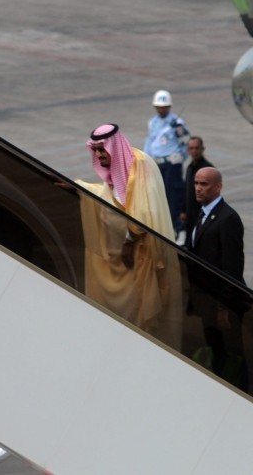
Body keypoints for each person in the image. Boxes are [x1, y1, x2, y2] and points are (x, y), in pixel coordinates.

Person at [74, 123, 183, 349]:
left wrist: (130, 240)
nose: (99, 155)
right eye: (96, 151)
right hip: (131, 262)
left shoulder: (140, 165)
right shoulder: (118, 171)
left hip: (146, 258)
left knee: (151, 320)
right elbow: (110, 195)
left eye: (103, 150)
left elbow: (144, 211)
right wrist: (78, 187)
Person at [186, 166, 247, 389]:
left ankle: (238, 394)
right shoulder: (200, 214)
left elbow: (233, 267)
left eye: (204, 184)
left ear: (218, 187)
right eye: (196, 183)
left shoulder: (228, 218)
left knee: (231, 355)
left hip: (222, 304)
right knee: (215, 350)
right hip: (205, 301)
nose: (198, 189)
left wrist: (224, 308)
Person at [143, 89, 189, 240]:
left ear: (169, 107)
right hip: (157, 163)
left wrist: (180, 158)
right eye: (158, 106)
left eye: (164, 106)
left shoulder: (177, 123)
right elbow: (150, 141)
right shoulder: (153, 122)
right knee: (158, 195)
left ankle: (178, 228)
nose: (161, 109)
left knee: (174, 195)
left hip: (171, 163)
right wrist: (145, 159)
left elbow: (185, 143)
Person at [180, 136, 214, 244]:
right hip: (190, 218)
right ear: (188, 150)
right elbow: (187, 192)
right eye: (191, 148)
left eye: (196, 148)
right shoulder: (190, 168)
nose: (194, 151)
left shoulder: (208, 169)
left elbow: (212, 195)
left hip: (202, 218)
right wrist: (184, 210)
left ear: (202, 149)